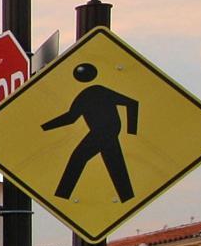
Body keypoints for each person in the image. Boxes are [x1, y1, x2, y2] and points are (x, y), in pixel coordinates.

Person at [42, 63, 139, 203]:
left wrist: (132, 131)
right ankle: (127, 197)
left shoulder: (96, 92)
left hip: (103, 132)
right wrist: (44, 127)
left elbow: (132, 103)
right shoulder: (87, 94)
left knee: (78, 158)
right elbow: (71, 118)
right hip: (107, 132)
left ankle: (62, 195)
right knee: (115, 164)